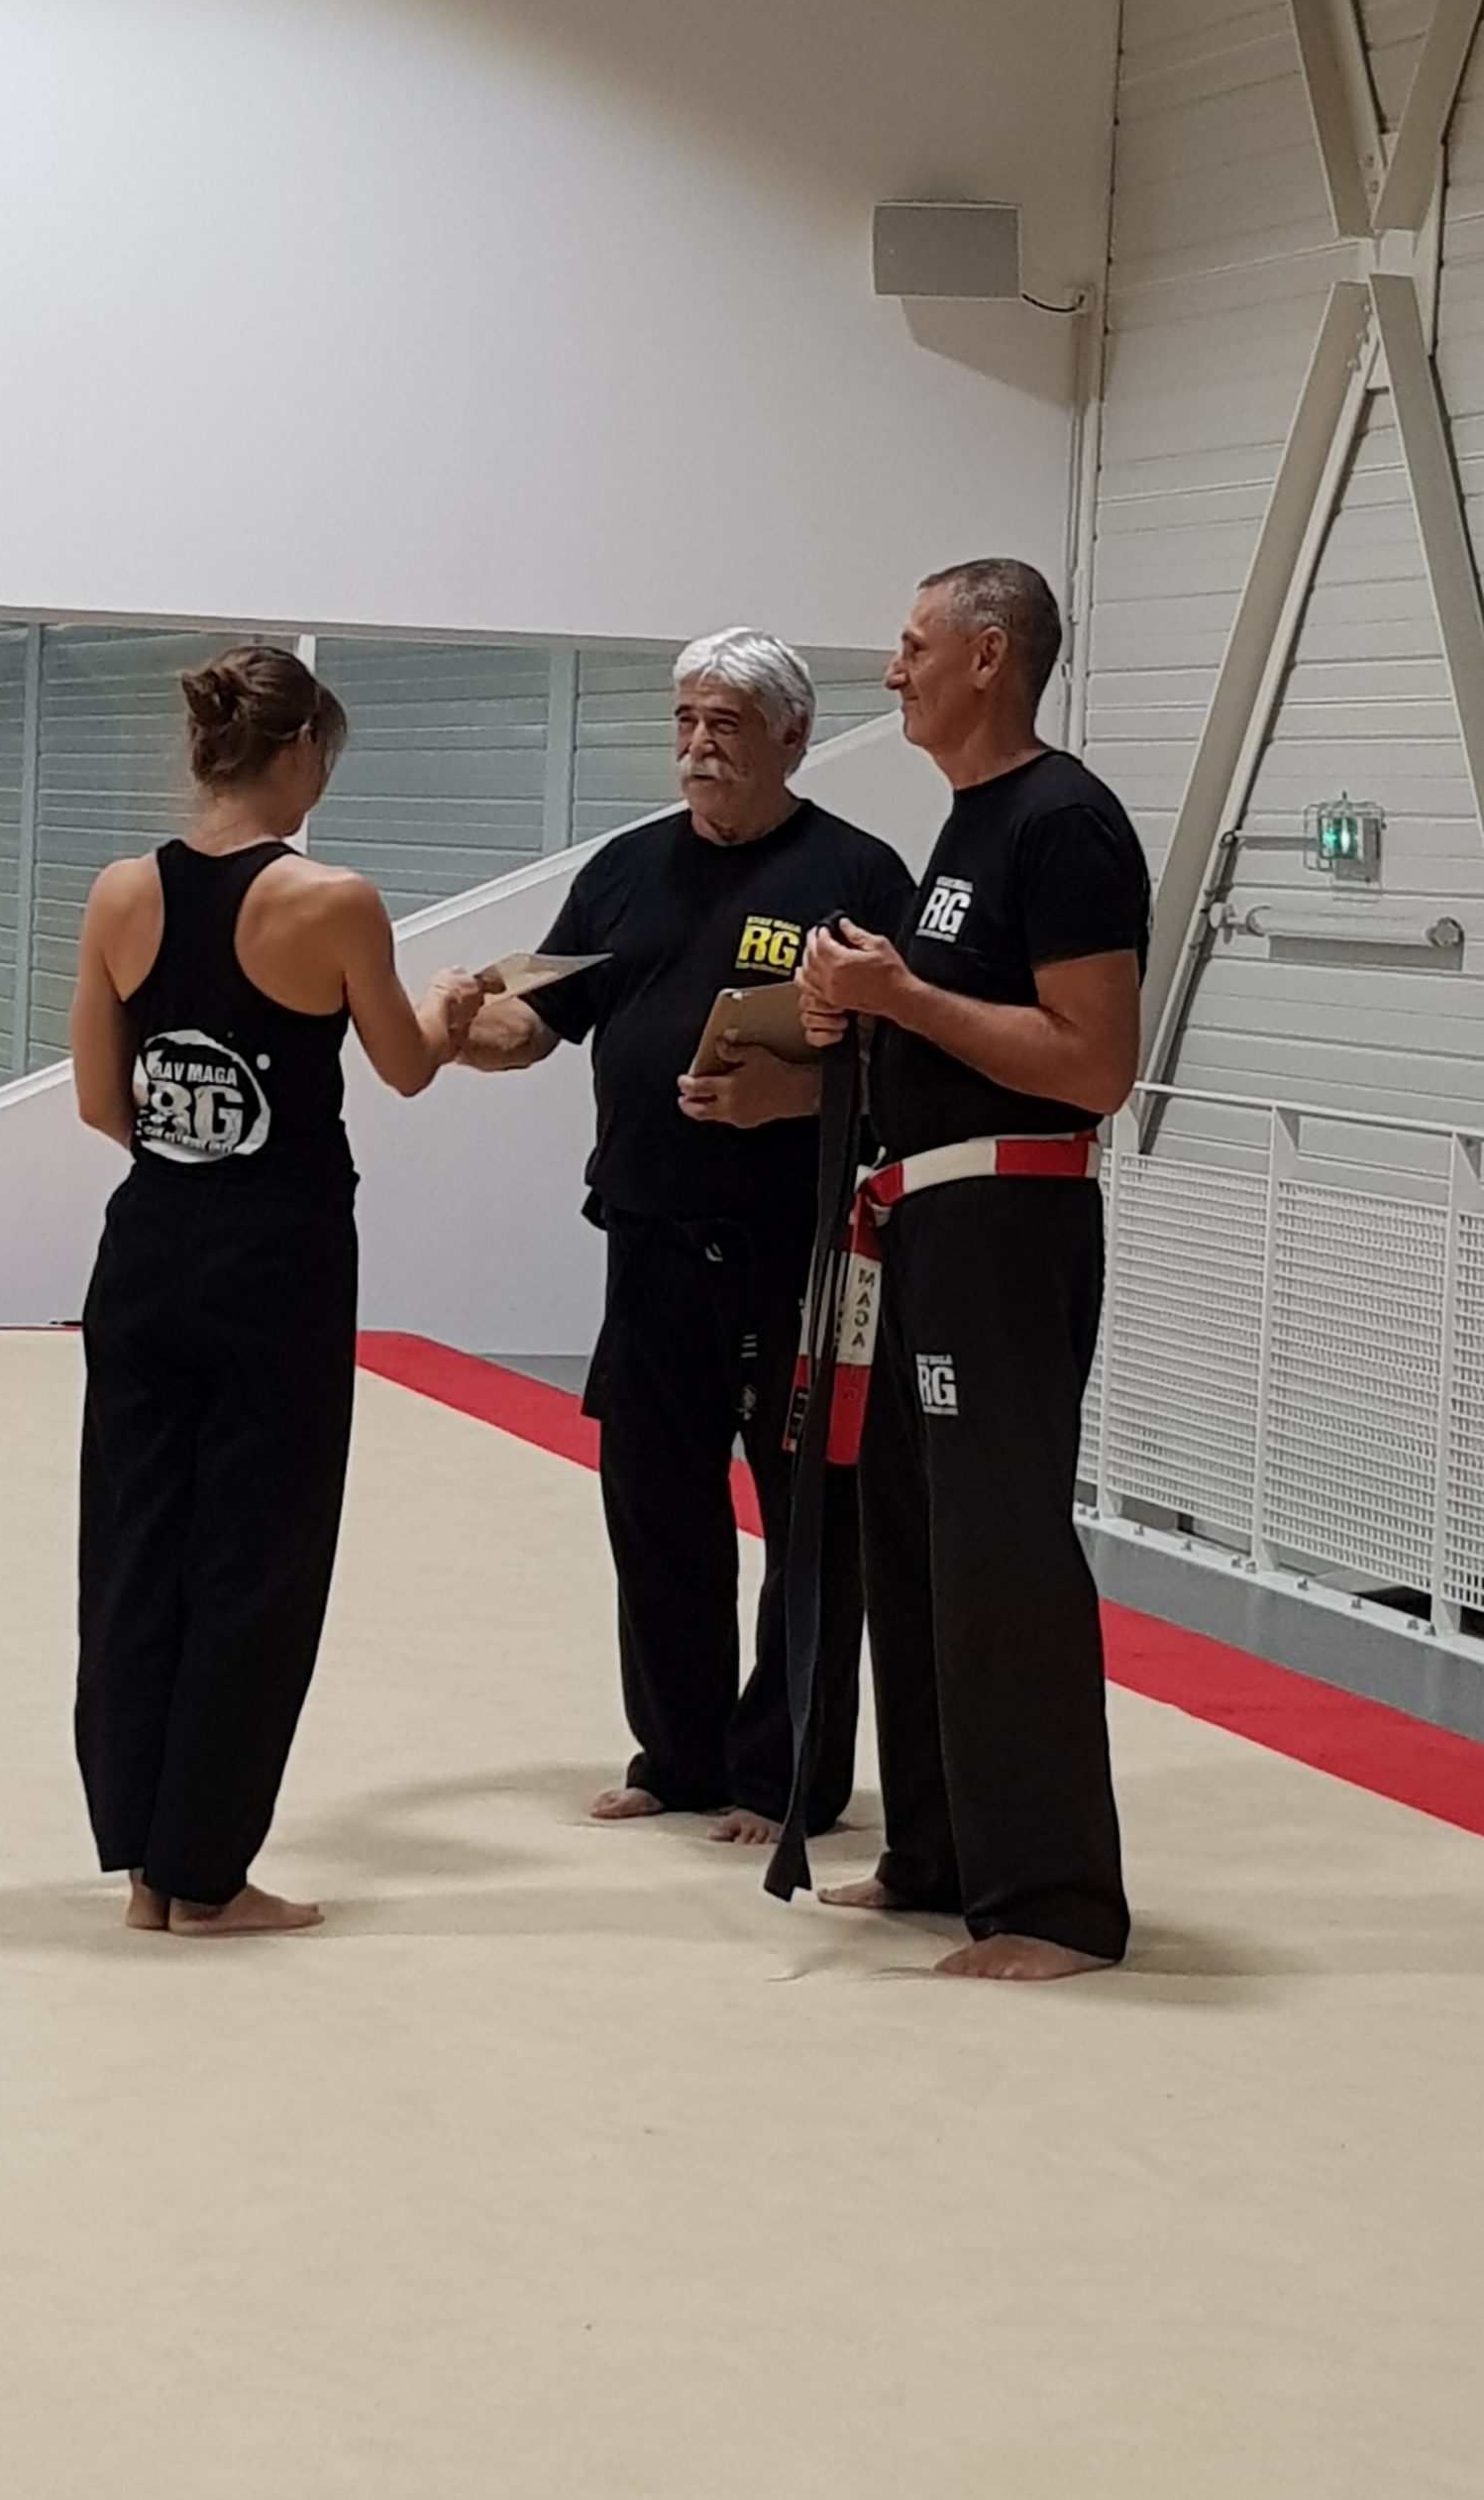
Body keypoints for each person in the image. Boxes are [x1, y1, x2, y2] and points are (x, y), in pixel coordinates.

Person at [456, 629, 914, 1843]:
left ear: (792, 738)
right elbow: (535, 1023)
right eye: (685, 721)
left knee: (806, 1520)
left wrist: (791, 1099)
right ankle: (677, 1752)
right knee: (655, 1510)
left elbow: (916, 1069)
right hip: (651, 1241)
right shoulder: (626, 869)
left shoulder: (857, 877)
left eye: (725, 723)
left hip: (797, 1253)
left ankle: (785, 1775)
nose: (698, 745)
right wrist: (453, 1033)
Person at [69, 644, 483, 1938]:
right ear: (300, 751)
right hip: (279, 1263)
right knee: (257, 1560)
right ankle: (209, 1873)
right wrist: (451, 1006)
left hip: (147, 1253)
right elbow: (406, 1064)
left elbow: (101, 1101)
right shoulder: (334, 900)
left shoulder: (121, 891)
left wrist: (191, 1155)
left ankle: (146, 1866)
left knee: (137, 1549)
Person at [796, 559, 1148, 1981]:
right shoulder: (967, 825)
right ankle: (940, 1850)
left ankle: (1055, 1900)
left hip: (1007, 1231)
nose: (894, 671)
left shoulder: (1063, 822)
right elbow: (958, 1020)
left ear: (989, 656)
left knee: (999, 1549)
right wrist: (861, 1009)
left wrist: (900, 994)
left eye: (912, 645)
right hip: (920, 1224)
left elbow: (1094, 1063)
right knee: (913, 1544)